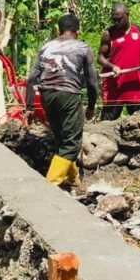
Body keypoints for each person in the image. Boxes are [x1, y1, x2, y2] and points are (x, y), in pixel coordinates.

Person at [25, 13, 100, 188]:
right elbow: (91, 81)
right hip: (68, 94)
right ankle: (49, 186)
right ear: (78, 32)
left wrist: (29, 106)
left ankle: (73, 180)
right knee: (72, 142)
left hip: (47, 96)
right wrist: (91, 105)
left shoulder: (46, 47)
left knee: (62, 139)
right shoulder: (82, 48)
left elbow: (32, 78)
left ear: (58, 30)